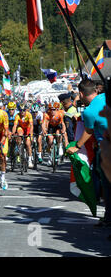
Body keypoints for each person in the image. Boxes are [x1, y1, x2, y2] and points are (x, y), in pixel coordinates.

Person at [67, 79, 109, 226]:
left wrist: (77, 146)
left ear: (81, 93)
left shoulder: (89, 112)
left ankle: (109, 218)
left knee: (107, 185)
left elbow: (89, 131)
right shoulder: (105, 97)